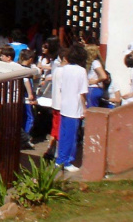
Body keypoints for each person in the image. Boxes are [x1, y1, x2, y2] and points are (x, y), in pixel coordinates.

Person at [55, 44, 88, 172]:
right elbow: (82, 92)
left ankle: (60, 159)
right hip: (75, 107)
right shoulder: (81, 71)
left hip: (64, 105)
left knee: (63, 135)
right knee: (71, 136)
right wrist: (84, 108)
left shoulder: (65, 69)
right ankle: (67, 161)